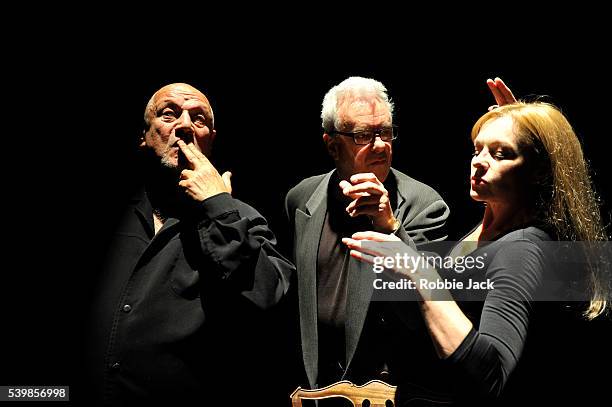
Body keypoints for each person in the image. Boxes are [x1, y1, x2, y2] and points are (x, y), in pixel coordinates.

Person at [343, 78, 611, 405]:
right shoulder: (489, 228)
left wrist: (420, 274)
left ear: (539, 170)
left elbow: (488, 379)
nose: (479, 161)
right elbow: (428, 317)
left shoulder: (522, 248)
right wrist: (390, 226)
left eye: (501, 154)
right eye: (478, 148)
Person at [86, 83, 294, 405]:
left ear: (210, 139)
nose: (184, 125)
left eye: (199, 119)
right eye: (169, 114)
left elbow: (270, 300)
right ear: (143, 136)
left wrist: (218, 204)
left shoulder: (240, 216)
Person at [283, 76, 451, 392]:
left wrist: (389, 224)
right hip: (315, 388)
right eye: (363, 135)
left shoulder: (425, 205)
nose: (379, 146)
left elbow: (427, 305)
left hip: (383, 389)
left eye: (385, 132)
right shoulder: (300, 199)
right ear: (332, 146)